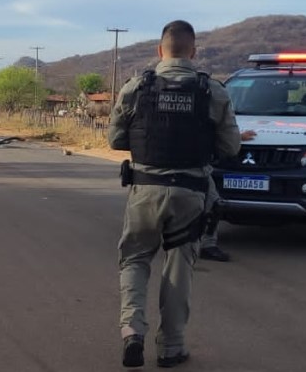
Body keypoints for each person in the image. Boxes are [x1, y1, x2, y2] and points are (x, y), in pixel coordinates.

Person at [108, 20, 241, 368]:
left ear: (159, 51)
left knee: (135, 259)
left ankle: (132, 331)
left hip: (145, 189)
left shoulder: (135, 88)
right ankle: (172, 347)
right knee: (179, 267)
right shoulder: (213, 91)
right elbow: (230, 146)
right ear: (194, 52)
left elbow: (115, 140)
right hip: (190, 192)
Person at [200, 129, 258, 262]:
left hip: (156, 163)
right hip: (192, 165)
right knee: (213, 202)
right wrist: (236, 137)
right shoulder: (204, 108)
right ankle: (206, 245)